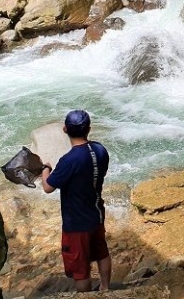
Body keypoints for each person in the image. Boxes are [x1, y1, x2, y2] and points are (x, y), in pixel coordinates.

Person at [41, 109, 112, 292]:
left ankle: (86, 296)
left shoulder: (69, 160)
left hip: (76, 223)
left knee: (81, 270)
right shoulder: (100, 150)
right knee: (102, 253)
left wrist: (45, 169)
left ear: (65, 129)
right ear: (89, 129)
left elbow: (48, 187)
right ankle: (105, 288)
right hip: (96, 214)